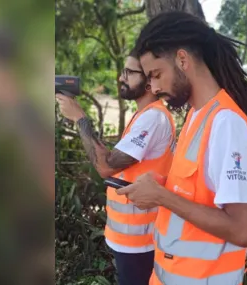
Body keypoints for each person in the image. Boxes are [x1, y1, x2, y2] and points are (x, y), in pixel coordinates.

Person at [116, 12, 247, 285]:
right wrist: (164, 185)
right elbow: (198, 191)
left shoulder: (226, 123)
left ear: (182, 60)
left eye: (156, 75)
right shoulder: (196, 115)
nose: (154, 88)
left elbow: (242, 230)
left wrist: (162, 197)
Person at [56, 47, 176, 285]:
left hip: (140, 242)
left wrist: (80, 118)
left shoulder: (153, 118)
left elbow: (105, 167)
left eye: (129, 72)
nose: (122, 77)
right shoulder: (144, 115)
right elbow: (112, 159)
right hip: (131, 239)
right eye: (123, 71)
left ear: (151, 80)